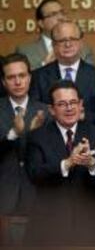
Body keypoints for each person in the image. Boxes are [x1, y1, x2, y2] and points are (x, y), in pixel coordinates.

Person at [24, 80, 95, 246]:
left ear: (81, 105)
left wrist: (92, 163)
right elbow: (34, 174)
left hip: (91, 224)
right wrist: (67, 163)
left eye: (73, 102)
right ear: (51, 109)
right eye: (62, 104)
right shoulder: (37, 136)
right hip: (49, 225)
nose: (69, 108)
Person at [30, 20, 95, 124]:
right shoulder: (38, 77)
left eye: (73, 39)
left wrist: (83, 116)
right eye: (62, 40)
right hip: (50, 135)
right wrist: (60, 116)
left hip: (88, 135)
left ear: (81, 42)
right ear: (54, 44)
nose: (68, 44)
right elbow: (34, 112)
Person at [0, 53, 47, 217]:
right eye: (11, 77)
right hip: (3, 194)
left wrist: (34, 135)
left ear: (30, 78)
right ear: (3, 82)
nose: (18, 82)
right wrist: (14, 133)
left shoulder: (46, 111)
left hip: (38, 196)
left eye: (22, 75)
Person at [16, 0, 95, 70]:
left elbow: (90, 78)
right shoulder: (25, 52)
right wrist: (44, 65)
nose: (60, 17)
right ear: (41, 23)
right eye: (53, 14)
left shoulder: (84, 50)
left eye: (62, 13)